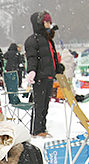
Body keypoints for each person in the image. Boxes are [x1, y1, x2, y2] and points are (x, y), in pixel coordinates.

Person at [24, 10, 64, 138]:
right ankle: (36, 130)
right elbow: (32, 57)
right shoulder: (33, 40)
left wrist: (58, 68)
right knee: (39, 105)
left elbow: (52, 57)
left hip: (48, 76)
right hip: (40, 77)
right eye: (46, 21)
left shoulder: (48, 40)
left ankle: (42, 128)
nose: (49, 24)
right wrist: (32, 71)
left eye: (49, 22)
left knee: (45, 105)